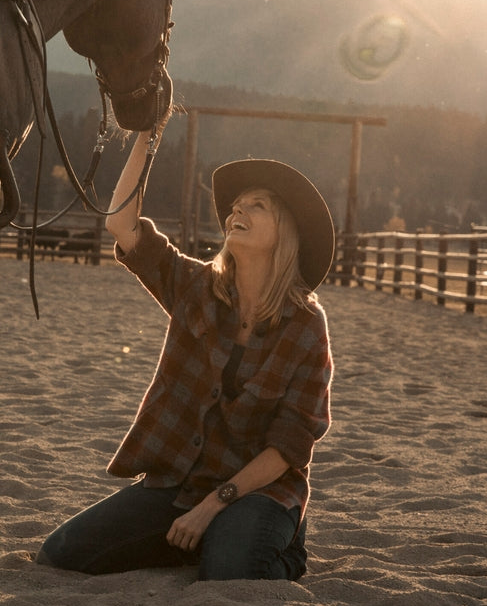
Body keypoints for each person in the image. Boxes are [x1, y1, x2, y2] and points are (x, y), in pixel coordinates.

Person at [36, 130, 334, 581]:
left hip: (258, 491)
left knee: (232, 569)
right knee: (60, 554)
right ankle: (199, 539)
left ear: (284, 234)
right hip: (179, 485)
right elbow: (122, 226)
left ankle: (282, 544)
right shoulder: (196, 287)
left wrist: (215, 504)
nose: (238, 208)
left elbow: (289, 446)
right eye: (238, 203)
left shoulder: (306, 326)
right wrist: (144, 136)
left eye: (258, 206)